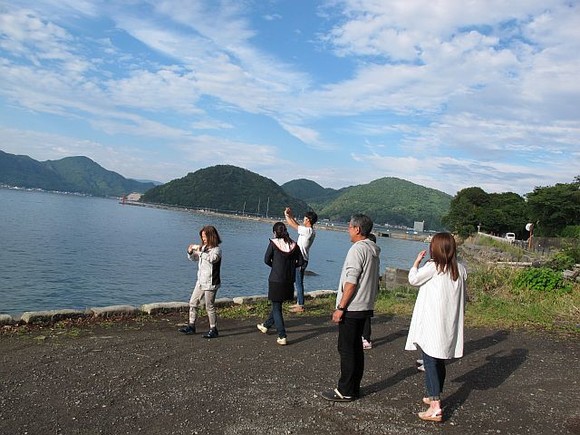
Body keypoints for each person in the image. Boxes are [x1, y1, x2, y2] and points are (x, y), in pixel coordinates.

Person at [404, 232, 467, 422]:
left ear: (435, 248)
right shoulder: (460, 269)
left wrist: (416, 262)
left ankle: (435, 406)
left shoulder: (434, 267)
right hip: (448, 323)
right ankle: (435, 393)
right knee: (438, 360)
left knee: (430, 361)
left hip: (432, 323)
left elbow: (413, 280)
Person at [321, 214, 380, 402]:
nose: (348, 230)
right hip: (365, 306)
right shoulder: (373, 250)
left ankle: (345, 390)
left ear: (357, 229)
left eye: (349, 227)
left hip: (352, 307)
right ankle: (354, 387)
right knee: (356, 348)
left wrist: (340, 307)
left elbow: (351, 281)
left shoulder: (357, 249)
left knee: (346, 348)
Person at [257, 222, 303, 345]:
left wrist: (275, 266)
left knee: (277, 308)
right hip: (288, 280)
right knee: (277, 305)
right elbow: (301, 262)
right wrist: (291, 267)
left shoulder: (273, 243)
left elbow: (266, 259)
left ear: (275, 232)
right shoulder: (294, 245)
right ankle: (266, 325)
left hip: (276, 279)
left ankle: (282, 335)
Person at [179, 225, 223, 339]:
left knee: (209, 306)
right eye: (202, 237)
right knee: (193, 302)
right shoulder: (203, 248)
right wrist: (190, 253)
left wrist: (199, 252)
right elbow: (195, 259)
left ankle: (213, 329)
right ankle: (191, 325)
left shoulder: (217, 250)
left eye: (205, 236)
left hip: (211, 282)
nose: (203, 239)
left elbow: (212, 259)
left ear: (211, 236)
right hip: (200, 281)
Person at [284, 207, 318, 313]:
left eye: (304, 218)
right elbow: (296, 224)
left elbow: (292, 224)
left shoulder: (307, 231)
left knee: (298, 283)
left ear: (308, 220)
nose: (303, 220)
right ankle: (299, 303)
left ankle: (301, 305)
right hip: (303, 259)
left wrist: (286, 215)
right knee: (298, 282)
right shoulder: (310, 230)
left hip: (300, 260)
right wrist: (291, 215)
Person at [361, 232, 378, 350]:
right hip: (372, 289)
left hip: (364, 290)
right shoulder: (376, 255)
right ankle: (365, 338)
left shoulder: (366, 253)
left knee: (364, 316)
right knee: (366, 315)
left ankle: (365, 338)